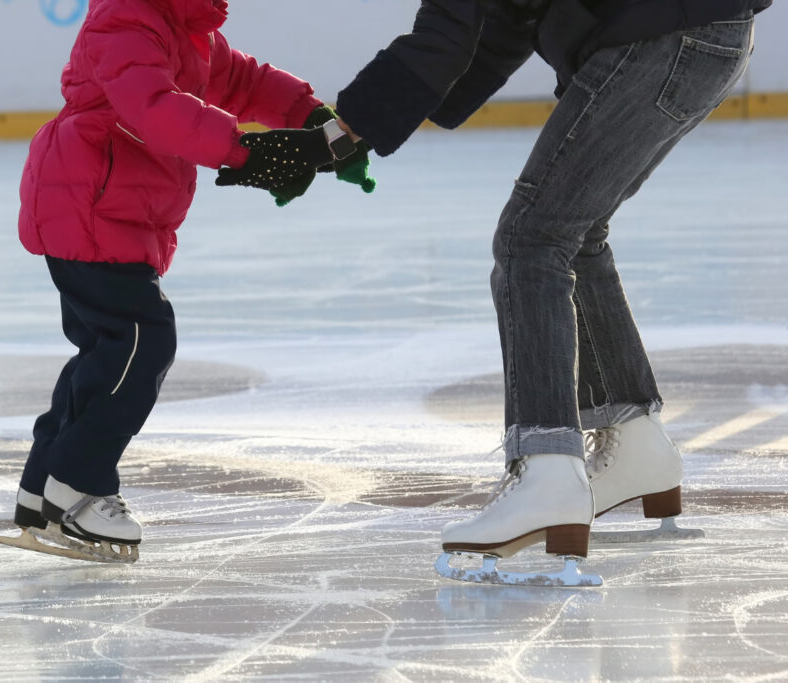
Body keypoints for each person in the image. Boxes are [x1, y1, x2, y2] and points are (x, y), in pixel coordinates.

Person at [216, 0, 770, 583]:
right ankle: (634, 441)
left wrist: (340, 132)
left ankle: (547, 469)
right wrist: (377, 120)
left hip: (663, 35)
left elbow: (450, 31)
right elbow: (505, 17)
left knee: (531, 240)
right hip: (703, 33)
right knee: (571, 234)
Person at [0, 0, 372, 562]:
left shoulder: (185, 29)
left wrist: (311, 115)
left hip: (106, 209)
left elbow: (244, 81)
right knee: (141, 343)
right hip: (91, 206)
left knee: (106, 350)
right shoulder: (126, 18)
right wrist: (242, 152)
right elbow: (154, 106)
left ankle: (42, 487)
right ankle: (78, 485)